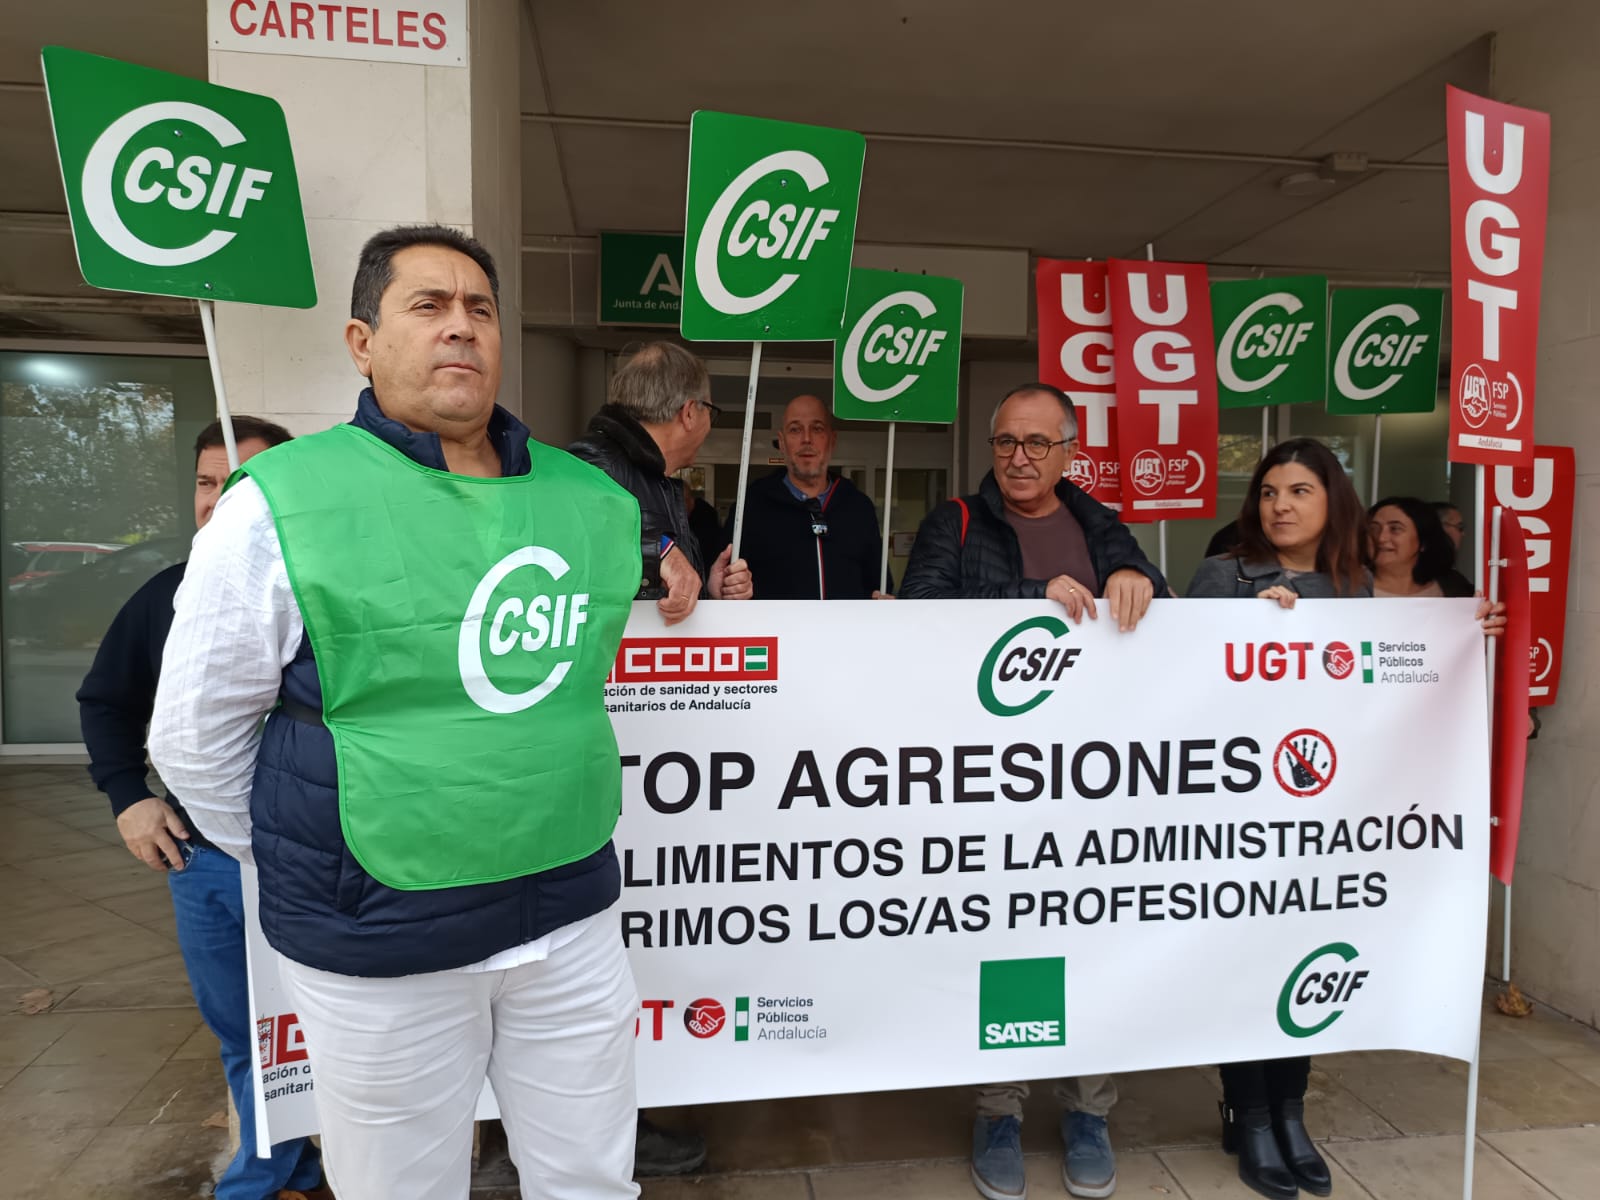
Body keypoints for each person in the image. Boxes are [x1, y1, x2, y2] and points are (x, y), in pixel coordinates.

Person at [149, 225, 645, 1200]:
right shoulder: (281, 501)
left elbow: (575, 687)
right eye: (428, 305)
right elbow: (193, 736)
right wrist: (313, 851)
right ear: (361, 341)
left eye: (480, 309)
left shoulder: (592, 502)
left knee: (592, 1181)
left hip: (568, 916)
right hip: (379, 936)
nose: (459, 328)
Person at [1187, 440, 1504, 1200]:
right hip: (1239, 812)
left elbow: (1385, 685)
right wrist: (1245, 632)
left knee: (1306, 960)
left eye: (1299, 490)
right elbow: (1182, 689)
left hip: (1323, 812)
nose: (1281, 506)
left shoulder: (1354, 588)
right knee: (1249, 962)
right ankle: (1251, 1114)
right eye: (1268, 492)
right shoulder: (1222, 574)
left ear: (1333, 502)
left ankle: (1290, 1112)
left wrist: (1464, 635)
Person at [902, 382, 1167, 1200]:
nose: (1019, 459)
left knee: (1092, 943)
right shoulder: (958, 520)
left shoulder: (1101, 524)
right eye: (1006, 443)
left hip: (1093, 788)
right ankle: (1000, 1111)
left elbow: (1159, 600)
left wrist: (1141, 581)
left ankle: (1089, 1109)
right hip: (992, 784)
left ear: (1069, 452)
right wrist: (1032, 601)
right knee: (1008, 947)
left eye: (1037, 444)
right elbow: (922, 610)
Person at [77, 417, 322, 1200]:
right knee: (239, 1025)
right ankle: (278, 1161)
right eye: (208, 483)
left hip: (312, 855)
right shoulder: (163, 598)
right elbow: (105, 702)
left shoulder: (329, 593)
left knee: (323, 1025)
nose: (220, 502)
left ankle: (275, 1170)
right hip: (205, 859)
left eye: (244, 483)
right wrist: (130, 800)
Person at [570, 341, 753, 626]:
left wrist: (708, 592)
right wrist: (660, 552)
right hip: (611, 669)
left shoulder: (655, 477)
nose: (710, 424)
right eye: (710, 411)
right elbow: (567, 527)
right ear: (690, 412)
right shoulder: (597, 461)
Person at [726, 394, 889, 599]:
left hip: (845, 630)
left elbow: (880, 584)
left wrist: (882, 602)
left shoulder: (859, 508)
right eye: (795, 429)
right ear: (782, 442)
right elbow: (726, 583)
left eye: (817, 428)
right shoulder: (750, 506)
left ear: (832, 440)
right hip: (779, 630)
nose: (806, 439)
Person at [1368, 496, 1473, 597]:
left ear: (1423, 542)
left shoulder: (1453, 586)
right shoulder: (1353, 589)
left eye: (1395, 529)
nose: (1381, 538)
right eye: (1374, 529)